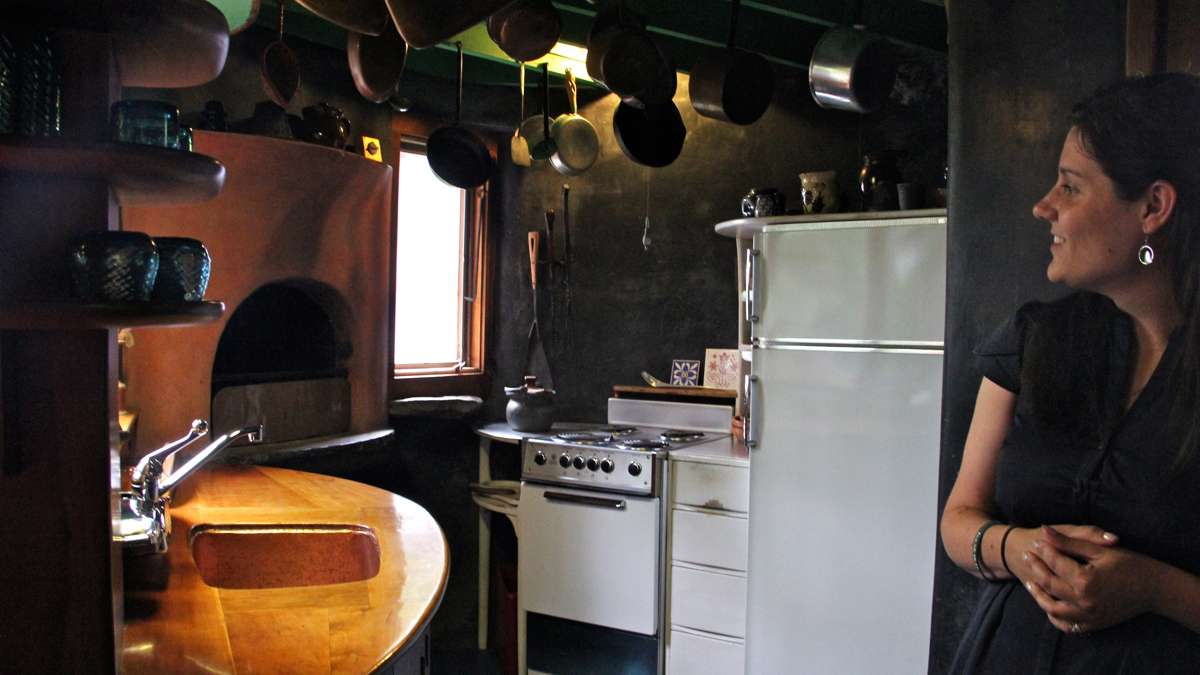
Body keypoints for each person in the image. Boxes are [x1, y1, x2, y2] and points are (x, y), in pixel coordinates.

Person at [942, 72, 1200, 673]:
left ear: (1153, 208)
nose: (1044, 206)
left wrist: (1153, 587)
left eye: (1070, 187)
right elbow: (959, 522)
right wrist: (1019, 547)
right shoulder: (1031, 339)